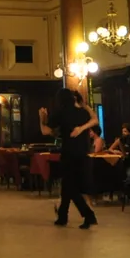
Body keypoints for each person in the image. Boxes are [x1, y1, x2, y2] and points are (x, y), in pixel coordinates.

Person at [41, 89, 98, 229]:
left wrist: (41, 117)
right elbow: (95, 119)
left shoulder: (60, 113)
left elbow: (45, 131)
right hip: (83, 153)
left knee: (71, 187)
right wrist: (84, 111)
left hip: (69, 153)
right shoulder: (83, 113)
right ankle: (62, 216)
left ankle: (88, 214)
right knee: (68, 186)